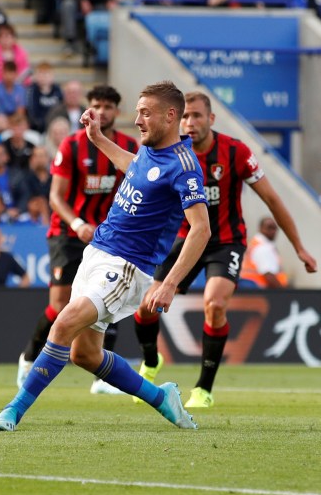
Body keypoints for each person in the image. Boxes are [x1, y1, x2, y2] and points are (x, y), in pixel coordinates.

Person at [0, 81, 211, 432]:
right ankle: (161, 398)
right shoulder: (150, 151)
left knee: (62, 323)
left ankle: (13, 411)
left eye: (145, 113)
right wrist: (97, 139)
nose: (137, 120)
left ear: (171, 116)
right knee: (84, 355)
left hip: (126, 267)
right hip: (97, 254)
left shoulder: (185, 166)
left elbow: (201, 229)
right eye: (138, 111)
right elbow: (136, 169)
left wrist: (169, 284)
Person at [132, 92, 317, 408]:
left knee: (215, 304)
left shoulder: (237, 152)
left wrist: (298, 246)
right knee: (146, 306)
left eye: (197, 116)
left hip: (225, 241)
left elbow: (272, 200)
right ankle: (151, 361)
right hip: (186, 240)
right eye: (186, 116)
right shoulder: (171, 153)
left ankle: (203, 389)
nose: (191, 123)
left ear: (211, 119)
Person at [14, 85, 139, 394]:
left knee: (111, 299)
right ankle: (29, 357)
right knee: (59, 305)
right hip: (68, 233)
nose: (102, 111)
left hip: (108, 238)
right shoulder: (71, 146)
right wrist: (79, 222)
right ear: (88, 108)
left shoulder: (127, 146)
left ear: (117, 112)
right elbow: (55, 197)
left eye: (109, 106)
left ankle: (101, 379)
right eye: (96, 104)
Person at [239, 217, 289, 288]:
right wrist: (284, 294)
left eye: (274, 228)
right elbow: (269, 276)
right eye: (269, 228)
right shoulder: (263, 247)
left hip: (251, 288)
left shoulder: (256, 243)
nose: (273, 231)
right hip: (259, 290)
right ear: (261, 228)